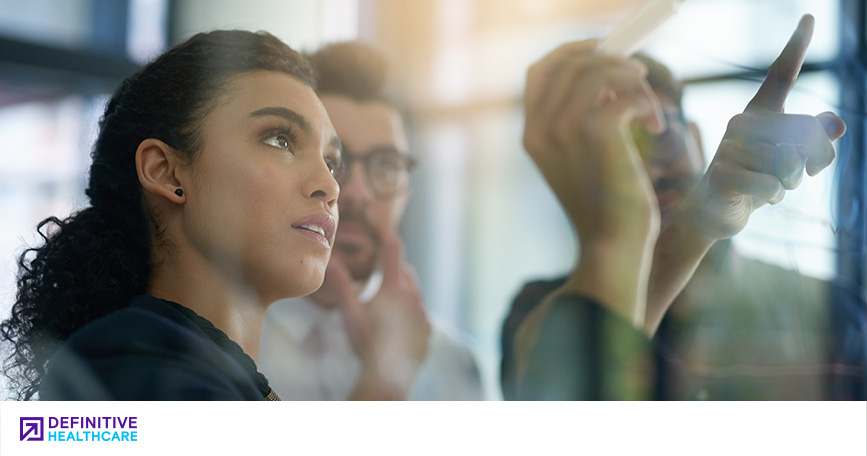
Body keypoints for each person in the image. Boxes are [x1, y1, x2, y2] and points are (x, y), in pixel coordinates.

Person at [502, 14, 852, 400]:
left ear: (697, 140)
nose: (648, 170)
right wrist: (686, 228)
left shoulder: (828, 314)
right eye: (620, 158)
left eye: (659, 135)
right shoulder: (546, 315)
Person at [0, 30, 343, 400]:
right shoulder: (138, 374)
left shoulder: (177, 368)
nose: (330, 185)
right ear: (165, 171)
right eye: (280, 139)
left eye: (332, 163)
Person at [259, 42, 482, 400]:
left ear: (407, 192)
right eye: (334, 160)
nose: (359, 194)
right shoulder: (229, 353)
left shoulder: (452, 365)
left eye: (385, 165)